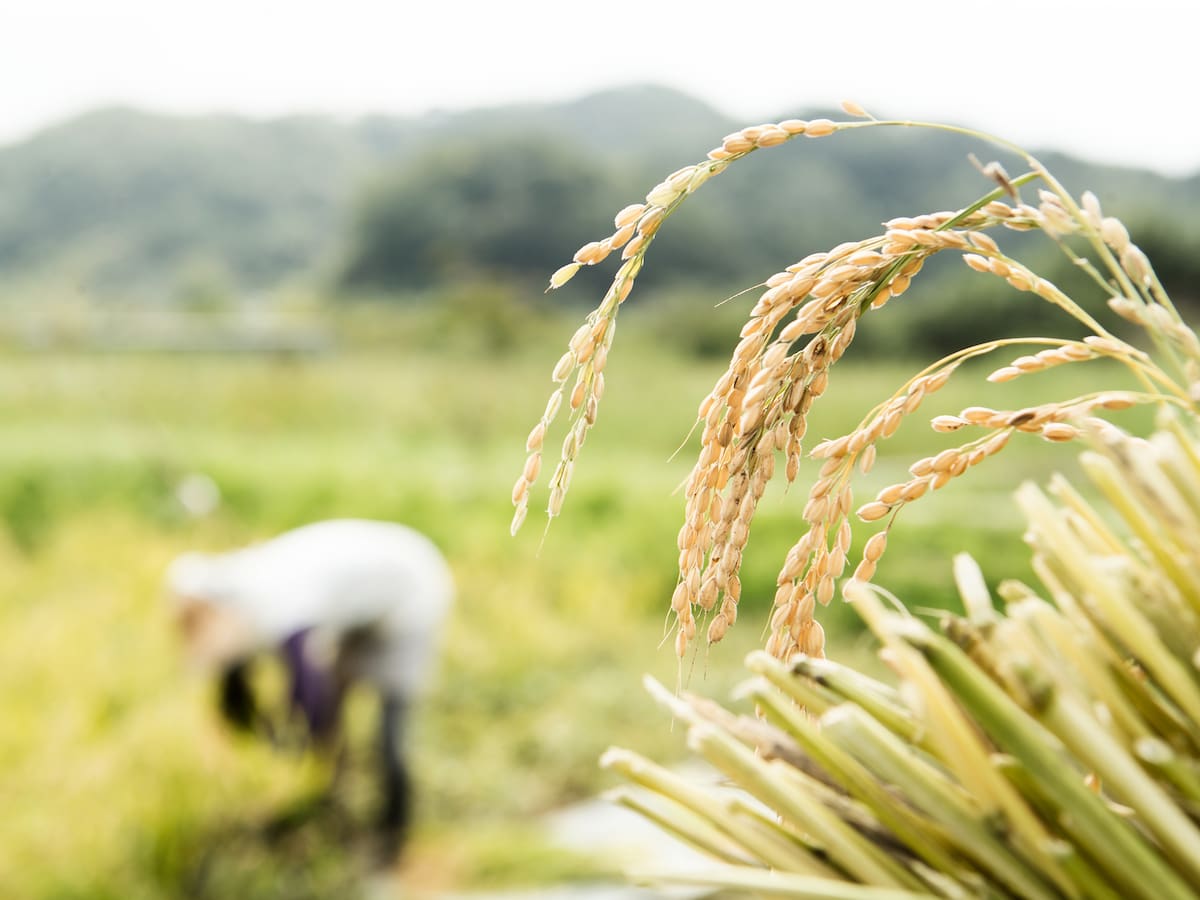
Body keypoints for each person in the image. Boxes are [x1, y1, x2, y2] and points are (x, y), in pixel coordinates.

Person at [166, 518, 454, 852]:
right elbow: (238, 679)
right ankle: (333, 799)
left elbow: (308, 697)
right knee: (335, 702)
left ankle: (394, 832)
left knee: (389, 724)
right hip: (360, 603)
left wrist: (294, 746)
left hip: (411, 591)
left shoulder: (278, 604)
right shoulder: (235, 586)